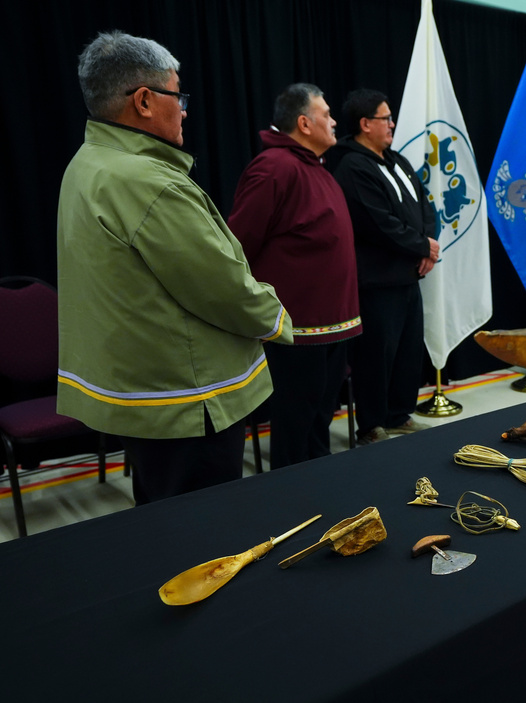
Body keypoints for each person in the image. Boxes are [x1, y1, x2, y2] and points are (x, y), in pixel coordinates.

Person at [57, 31, 292, 504]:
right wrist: (278, 319)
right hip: (187, 394)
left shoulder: (89, 162)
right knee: (206, 530)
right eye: (177, 96)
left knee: (162, 520)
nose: (184, 110)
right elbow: (221, 287)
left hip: (143, 391)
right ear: (144, 101)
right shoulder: (147, 179)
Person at [228, 84, 361, 468]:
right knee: (296, 425)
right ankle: (290, 494)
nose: (334, 122)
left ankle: (320, 486)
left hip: (332, 326)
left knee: (319, 421)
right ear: (304, 123)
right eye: (326, 114)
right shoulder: (274, 167)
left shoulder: (314, 167)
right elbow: (237, 246)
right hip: (297, 331)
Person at [332, 89, 439, 445]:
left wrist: (428, 245)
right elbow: (378, 222)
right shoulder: (352, 166)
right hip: (377, 282)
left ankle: (399, 414)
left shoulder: (397, 161)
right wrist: (421, 246)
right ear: (365, 124)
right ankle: (372, 425)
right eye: (385, 118)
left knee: (408, 352)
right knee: (376, 356)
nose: (392, 124)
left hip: (409, 275)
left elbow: (425, 205)